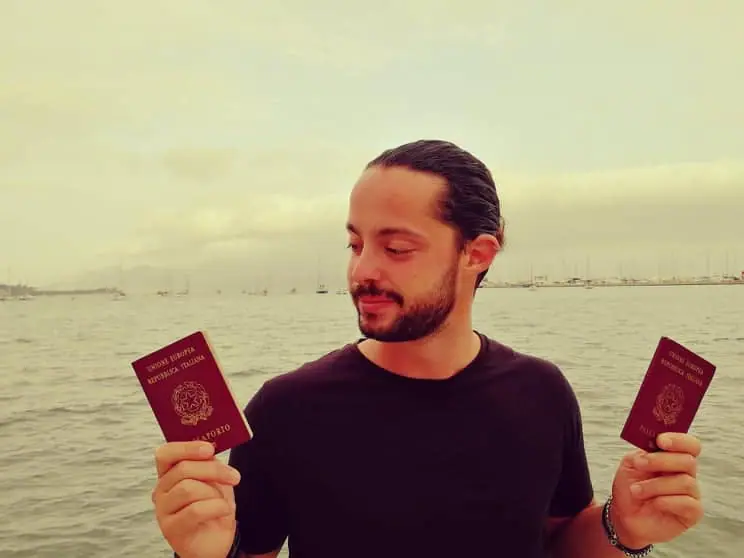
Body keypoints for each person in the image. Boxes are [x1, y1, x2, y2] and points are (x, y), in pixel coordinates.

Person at [151, 140, 704, 558]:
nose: (362, 270)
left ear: (477, 254)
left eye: (395, 247)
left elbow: (561, 542)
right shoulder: (286, 409)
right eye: (355, 243)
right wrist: (202, 555)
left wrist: (622, 528)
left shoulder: (541, 392)